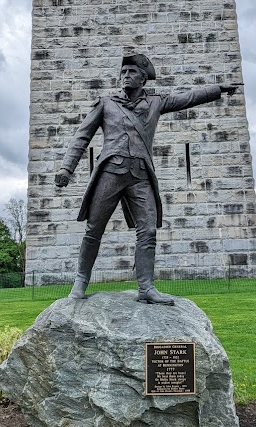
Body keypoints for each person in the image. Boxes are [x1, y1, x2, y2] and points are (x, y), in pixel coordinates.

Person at [55, 54, 239, 304]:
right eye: (124, 72)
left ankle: (146, 288)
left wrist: (216, 90)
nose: (126, 76)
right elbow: (81, 137)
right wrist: (67, 168)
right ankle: (80, 282)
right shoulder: (106, 104)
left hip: (140, 175)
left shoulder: (156, 102)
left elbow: (188, 98)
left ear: (143, 79)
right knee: (93, 229)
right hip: (111, 172)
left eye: (132, 72)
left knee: (148, 231)